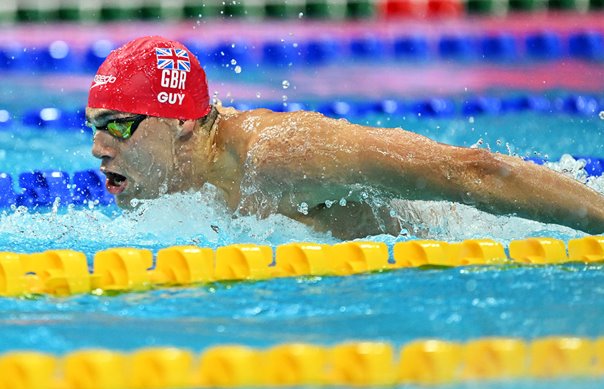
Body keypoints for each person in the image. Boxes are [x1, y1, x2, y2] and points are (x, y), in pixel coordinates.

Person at [87, 36, 604, 239]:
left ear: (183, 123)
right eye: (92, 126)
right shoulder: (182, 182)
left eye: (117, 123)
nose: (98, 147)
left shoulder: (278, 154)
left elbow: (471, 171)